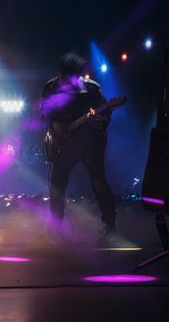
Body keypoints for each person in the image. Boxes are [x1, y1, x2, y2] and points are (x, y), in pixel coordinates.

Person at [40, 52, 117, 244]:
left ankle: (110, 226)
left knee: (99, 182)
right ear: (61, 73)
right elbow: (44, 113)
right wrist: (55, 123)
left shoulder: (91, 89)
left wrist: (97, 120)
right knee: (57, 183)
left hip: (90, 144)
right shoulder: (51, 87)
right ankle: (56, 227)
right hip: (64, 146)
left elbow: (105, 115)